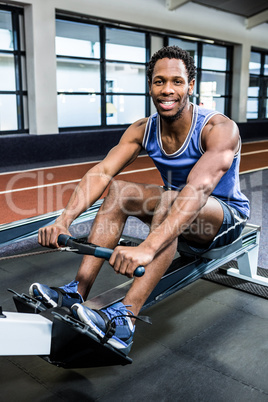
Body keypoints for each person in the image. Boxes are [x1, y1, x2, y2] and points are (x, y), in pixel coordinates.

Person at [30, 46, 249, 355]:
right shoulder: (143, 129)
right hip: (174, 214)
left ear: (191, 85)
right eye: (159, 82)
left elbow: (197, 191)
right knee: (120, 191)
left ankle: (125, 320)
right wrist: (64, 219)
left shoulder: (218, 128)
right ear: (150, 86)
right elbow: (103, 171)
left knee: (173, 198)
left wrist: (148, 247)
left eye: (176, 81)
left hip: (223, 221)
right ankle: (75, 292)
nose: (167, 90)